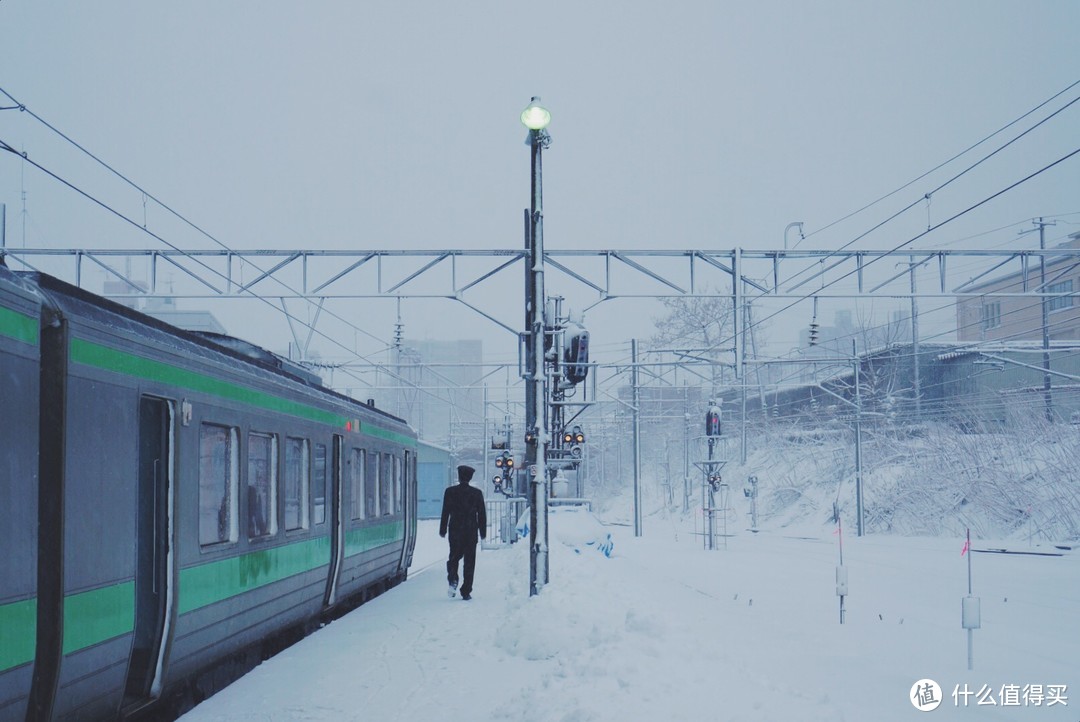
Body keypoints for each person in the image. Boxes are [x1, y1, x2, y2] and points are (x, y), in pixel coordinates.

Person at [439, 464, 486, 600]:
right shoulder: (476, 494)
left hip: (455, 531)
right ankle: (466, 591)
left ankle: (453, 578)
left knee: (453, 558)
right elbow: (481, 515)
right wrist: (482, 532)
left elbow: (445, 512)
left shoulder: (450, 492)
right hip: (471, 532)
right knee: (470, 561)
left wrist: (443, 529)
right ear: (470, 477)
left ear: (459, 476)